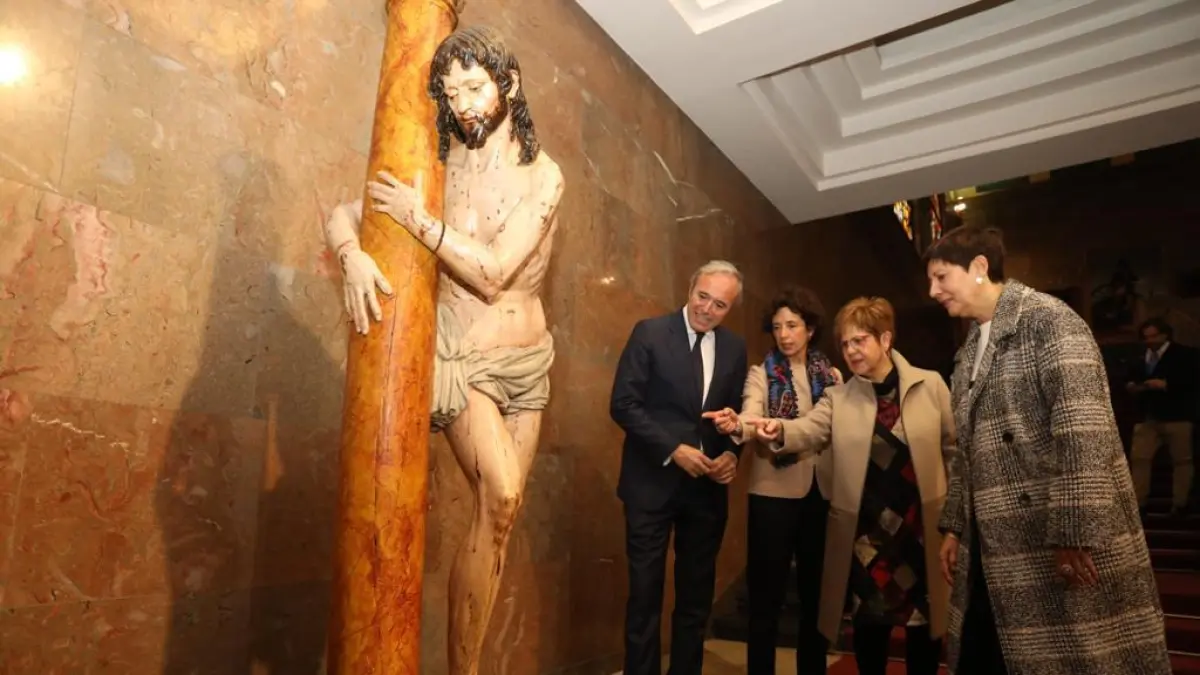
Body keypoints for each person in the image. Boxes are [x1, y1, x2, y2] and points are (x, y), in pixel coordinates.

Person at [322, 26, 564, 675]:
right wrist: (350, 257)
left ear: (509, 84)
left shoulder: (543, 175)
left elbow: (495, 269)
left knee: (501, 522)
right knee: (503, 494)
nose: (463, 106)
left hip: (529, 363)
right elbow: (347, 212)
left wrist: (417, 220)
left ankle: (466, 666)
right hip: (465, 359)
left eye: (475, 88)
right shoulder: (436, 163)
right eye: (452, 94)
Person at [924, 225, 1171, 675]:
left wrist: (1073, 529)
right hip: (992, 543)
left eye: (941, 277)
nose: (933, 291)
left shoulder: (1049, 320)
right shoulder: (968, 349)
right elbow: (966, 452)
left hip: (1050, 535)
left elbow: (1083, 429)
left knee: (1075, 657)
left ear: (979, 266)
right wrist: (955, 526)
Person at [711, 296, 954, 675]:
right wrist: (775, 428)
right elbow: (807, 429)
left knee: (923, 631)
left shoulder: (932, 385)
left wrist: (954, 521)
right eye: (845, 343)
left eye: (860, 341)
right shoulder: (838, 397)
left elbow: (953, 453)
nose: (851, 350)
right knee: (871, 628)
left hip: (919, 532)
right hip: (867, 536)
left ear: (885, 339)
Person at [610, 260, 750, 675]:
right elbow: (623, 404)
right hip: (650, 485)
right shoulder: (650, 333)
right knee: (645, 596)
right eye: (703, 296)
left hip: (706, 491)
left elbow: (736, 415)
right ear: (690, 288)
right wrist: (674, 449)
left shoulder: (734, 348)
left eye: (720, 304)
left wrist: (732, 454)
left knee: (696, 599)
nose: (707, 308)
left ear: (730, 309)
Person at [703, 285, 841, 674]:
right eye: (777, 326)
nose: (784, 334)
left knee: (815, 597)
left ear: (810, 329)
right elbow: (751, 414)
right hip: (772, 494)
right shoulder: (760, 374)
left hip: (821, 493)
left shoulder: (831, 375)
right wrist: (738, 425)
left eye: (792, 325)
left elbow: (832, 426)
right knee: (765, 598)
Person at [1126, 317, 1196, 519]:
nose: (1149, 341)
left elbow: (1192, 380)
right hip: (1147, 416)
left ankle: (1180, 504)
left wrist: (1167, 385)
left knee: (1182, 461)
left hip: (1178, 415)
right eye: (1146, 337)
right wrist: (1132, 386)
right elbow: (1130, 376)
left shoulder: (1185, 354)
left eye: (1153, 336)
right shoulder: (1140, 356)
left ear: (1165, 335)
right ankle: (1138, 504)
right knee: (1139, 459)